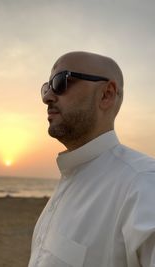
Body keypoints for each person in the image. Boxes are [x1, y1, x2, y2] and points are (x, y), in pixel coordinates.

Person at [28, 51, 155, 267]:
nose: (47, 97)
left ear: (106, 94)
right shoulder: (70, 180)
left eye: (61, 82)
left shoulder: (142, 184)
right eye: (46, 87)